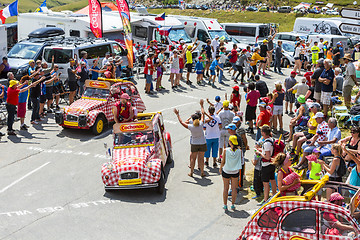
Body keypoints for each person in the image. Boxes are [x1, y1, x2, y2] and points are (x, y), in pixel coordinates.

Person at [174, 99, 208, 177]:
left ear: (192, 120)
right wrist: (202, 105)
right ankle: (202, 172)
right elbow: (203, 114)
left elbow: (181, 122)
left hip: (194, 143)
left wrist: (178, 114)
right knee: (201, 159)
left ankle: (191, 172)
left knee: (193, 159)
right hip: (202, 143)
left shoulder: (191, 126)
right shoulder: (201, 124)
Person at [255, 125, 277, 204]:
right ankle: (274, 196)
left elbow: (267, 157)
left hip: (266, 165)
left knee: (266, 183)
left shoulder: (266, 143)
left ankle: (265, 200)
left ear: (263, 133)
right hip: (272, 164)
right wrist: (262, 150)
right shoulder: (271, 140)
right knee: (272, 180)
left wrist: (260, 153)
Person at [220, 135, 243, 210]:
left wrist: (220, 168)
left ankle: (225, 205)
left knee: (225, 188)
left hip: (226, 171)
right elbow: (241, 161)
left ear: (230, 142)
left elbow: (223, 161)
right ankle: (233, 204)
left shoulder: (226, 150)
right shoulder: (240, 151)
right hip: (235, 172)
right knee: (234, 189)